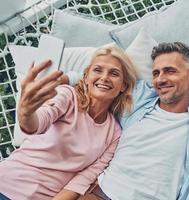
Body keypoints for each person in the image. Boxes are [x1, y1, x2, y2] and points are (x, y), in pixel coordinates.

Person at [63, 42, 189, 200]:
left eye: (170, 71)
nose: (160, 79)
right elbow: (102, 79)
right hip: (100, 194)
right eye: (156, 73)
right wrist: (66, 79)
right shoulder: (140, 100)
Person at [0, 46, 137, 200]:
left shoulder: (115, 134)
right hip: (6, 184)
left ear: (123, 85)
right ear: (85, 77)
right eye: (98, 70)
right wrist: (25, 113)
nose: (104, 77)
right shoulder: (67, 96)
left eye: (114, 73)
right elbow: (39, 122)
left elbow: (82, 181)